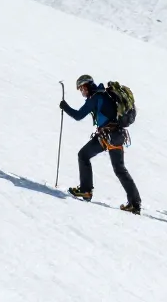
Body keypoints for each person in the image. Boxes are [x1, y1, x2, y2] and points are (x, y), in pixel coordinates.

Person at [60, 74, 141, 214]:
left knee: (84, 156)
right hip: (115, 136)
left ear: (87, 86)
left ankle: (86, 190)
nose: (82, 92)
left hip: (108, 136)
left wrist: (64, 106)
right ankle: (134, 203)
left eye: (82, 89)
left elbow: (78, 115)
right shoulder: (104, 94)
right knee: (118, 169)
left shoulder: (95, 98)